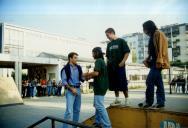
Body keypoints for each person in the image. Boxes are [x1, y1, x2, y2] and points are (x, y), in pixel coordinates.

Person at [138, 20, 170, 108]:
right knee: (158, 82)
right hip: (154, 62)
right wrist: (147, 59)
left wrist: (160, 60)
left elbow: (162, 48)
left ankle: (149, 101)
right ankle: (160, 102)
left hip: (158, 62)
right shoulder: (152, 36)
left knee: (149, 80)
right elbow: (152, 51)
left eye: (144, 28)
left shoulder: (158, 33)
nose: (143, 30)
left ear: (148, 27)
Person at [84, 47, 111, 128]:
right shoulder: (101, 61)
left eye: (93, 53)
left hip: (100, 86)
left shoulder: (98, 61)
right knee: (97, 105)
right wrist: (90, 76)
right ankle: (97, 122)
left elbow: (96, 73)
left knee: (99, 106)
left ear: (96, 53)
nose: (92, 55)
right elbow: (98, 74)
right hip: (101, 86)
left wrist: (86, 75)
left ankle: (107, 125)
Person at [105, 28, 130, 106]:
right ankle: (117, 99)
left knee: (122, 83)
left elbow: (127, 52)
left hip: (120, 66)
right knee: (114, 83)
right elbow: (107, 56)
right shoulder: (109, 44)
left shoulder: (121, 41)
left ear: (112, 33)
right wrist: (107, 65)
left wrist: (123, 62)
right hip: (111, 67)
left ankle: (127, 100)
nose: (107, 37)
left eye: (107, 35)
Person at [61, 52, 84, 128]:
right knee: (69, 112)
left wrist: (87, 75)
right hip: (70, 90)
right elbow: (64, 82)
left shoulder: (79, 67)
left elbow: (82, 78)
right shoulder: (65, 69)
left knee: (77, 110)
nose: (76, 59)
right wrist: (71, 89)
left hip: (78, 89)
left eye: (77, 57)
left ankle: (75, 127)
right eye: (75, 57)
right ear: (70, 58)